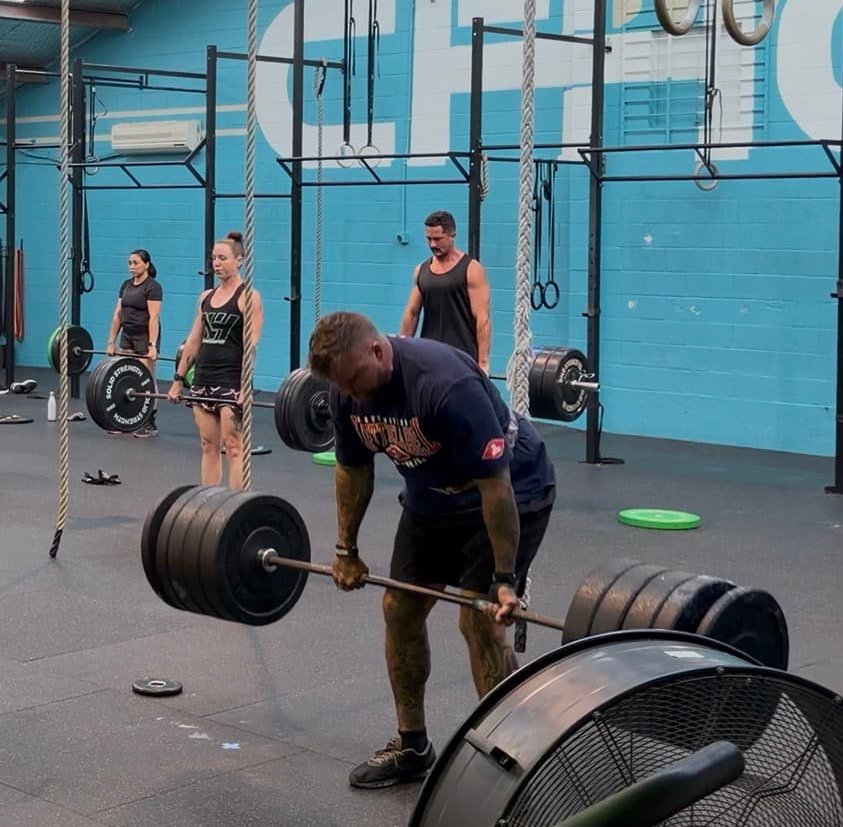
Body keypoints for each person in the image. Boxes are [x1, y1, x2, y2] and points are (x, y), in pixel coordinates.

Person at [307, 310, 556, 790]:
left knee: (479, 619)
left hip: (510, 491)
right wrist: (345, 549)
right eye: (341, 385)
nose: (350, 393)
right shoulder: (345, 392)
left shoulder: (445, 384)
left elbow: (495, 485)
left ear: (377, 350)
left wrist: (505, 580)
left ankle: (514, 759)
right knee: (398, 608)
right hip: (432, 498)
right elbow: (353, 470)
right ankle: (413, 747)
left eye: (355, 379)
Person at [171, 233, 262, 486]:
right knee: (208, 445)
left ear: (239, 260)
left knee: (233, 447)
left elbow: (251, 346)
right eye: (214, 258)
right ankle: (209, 502)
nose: (216, 263)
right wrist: (178, 380)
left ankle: (236, 504)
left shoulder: (248, 297)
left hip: (231, 381)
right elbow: (193, 341)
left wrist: (245, 386)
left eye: (223, 258)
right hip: (203, 379)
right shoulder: (206, 297)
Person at [398, 210, 491, 373]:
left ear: (452, 236)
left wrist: (483, 363)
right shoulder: (421, 270)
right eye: (429, 239)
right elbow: (411, 313)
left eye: (437, 239)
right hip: (429, 356)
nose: (432, 245)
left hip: (461, 358)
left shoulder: (471, 269)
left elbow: (482, 318)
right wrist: (401, 353)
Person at [106, 249, 164, 439]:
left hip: (145, 336)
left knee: (146, 379)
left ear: (146, 264)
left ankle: (149, 423)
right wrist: (111, 342)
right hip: (127, 334)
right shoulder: (126, 285)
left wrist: (152, 345)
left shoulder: (153, 287)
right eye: (130, 263)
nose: (132, 266)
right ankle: (124, 420)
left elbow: (154, 317)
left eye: (136, 262)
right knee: (125, 375)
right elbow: (118, 314)